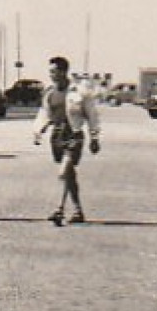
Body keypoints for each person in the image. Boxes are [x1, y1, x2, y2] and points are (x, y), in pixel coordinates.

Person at [32, 55, 101, 226]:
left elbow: (92, 115)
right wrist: (38, 130)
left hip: (74, 135)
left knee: (63, 172)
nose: (51, 75)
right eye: (50, 72)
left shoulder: (79, 91)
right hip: (57, 136)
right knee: (69, 175)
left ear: (63, 72)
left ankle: (59, 209)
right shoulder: (49, 92)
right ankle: (78, 211)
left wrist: (94, 137)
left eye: (54, 72)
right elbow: (45, 113)